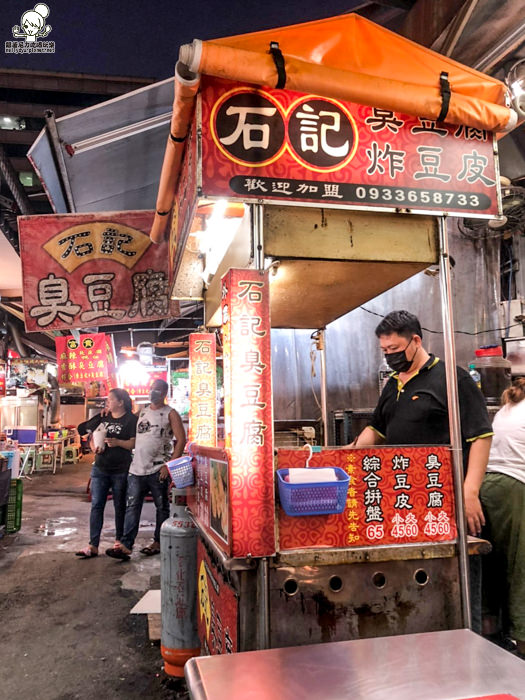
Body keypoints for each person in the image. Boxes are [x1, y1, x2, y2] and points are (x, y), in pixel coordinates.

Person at [353, 310, 493, 537]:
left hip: (444, 493)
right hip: (403, 493)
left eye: (395, 349)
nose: (390, 356)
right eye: (385, 351)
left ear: (416, 341)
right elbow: (376, 429)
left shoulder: (453, 379)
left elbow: (481, 436)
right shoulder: (393, 383)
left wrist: (470, 491)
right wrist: (346, 456)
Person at [106, 378, 186, 561]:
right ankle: (126, 545)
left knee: (161, 508)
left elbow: (181, 440)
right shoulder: (141, 412)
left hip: (158, 469)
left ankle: (158, 542)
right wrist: (109, 412)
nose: (153, 392)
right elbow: (125, 420)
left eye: (157, 390)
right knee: (132, 507)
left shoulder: (170, 414)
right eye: (151, 389)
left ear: (164, 393)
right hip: (137, 469)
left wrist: (169, 465)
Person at [480, 378, 525, 657]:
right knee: (520, 570)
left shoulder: (508, 406)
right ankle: (522, 643)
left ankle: (491, 639)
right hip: (514, 489)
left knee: (492, 569)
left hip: (488, 487)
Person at [75, 388, 137, 559]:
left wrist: (117, 442)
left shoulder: (131, 419)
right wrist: (94, 446)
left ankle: (119, 542)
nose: (107, 402)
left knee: (120, 506)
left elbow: (133, 443)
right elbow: (86, 431)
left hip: (121, 469)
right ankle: (93, 545)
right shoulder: (104, 416)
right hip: (100, 468)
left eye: (110, 399)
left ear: (121, 402)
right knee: (96, 506)